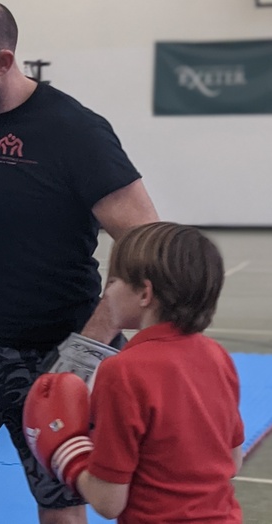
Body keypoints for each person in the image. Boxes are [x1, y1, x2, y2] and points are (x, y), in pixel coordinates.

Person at [0, 1, 159, 523]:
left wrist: (91, 345)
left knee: (59, 512)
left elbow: (145, 239)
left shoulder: (75, 131)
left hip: (54, 355)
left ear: (3, 60)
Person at [24, 222, 244, 523]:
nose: (108, 292)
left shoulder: (122, 371)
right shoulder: (218, 356)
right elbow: (233, 460)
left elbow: (108, 501)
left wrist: (66, 452)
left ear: (144, 293)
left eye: (113, 281)